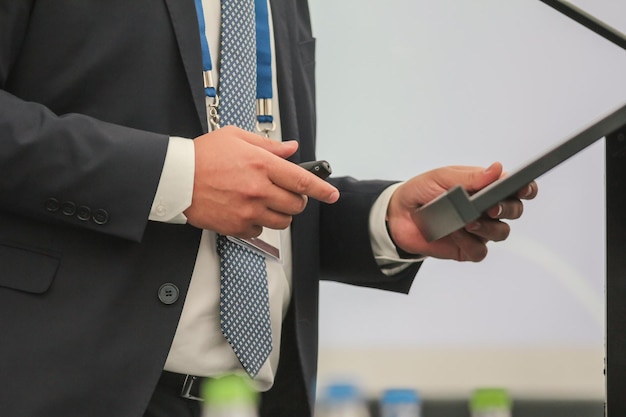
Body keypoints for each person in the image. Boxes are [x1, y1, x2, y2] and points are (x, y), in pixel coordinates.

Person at [0, 1, 537, 417]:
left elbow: (247, 193)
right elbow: (197, 183)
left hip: (248, 400)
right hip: (62, 387)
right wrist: (176, 176)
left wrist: (383, 219)